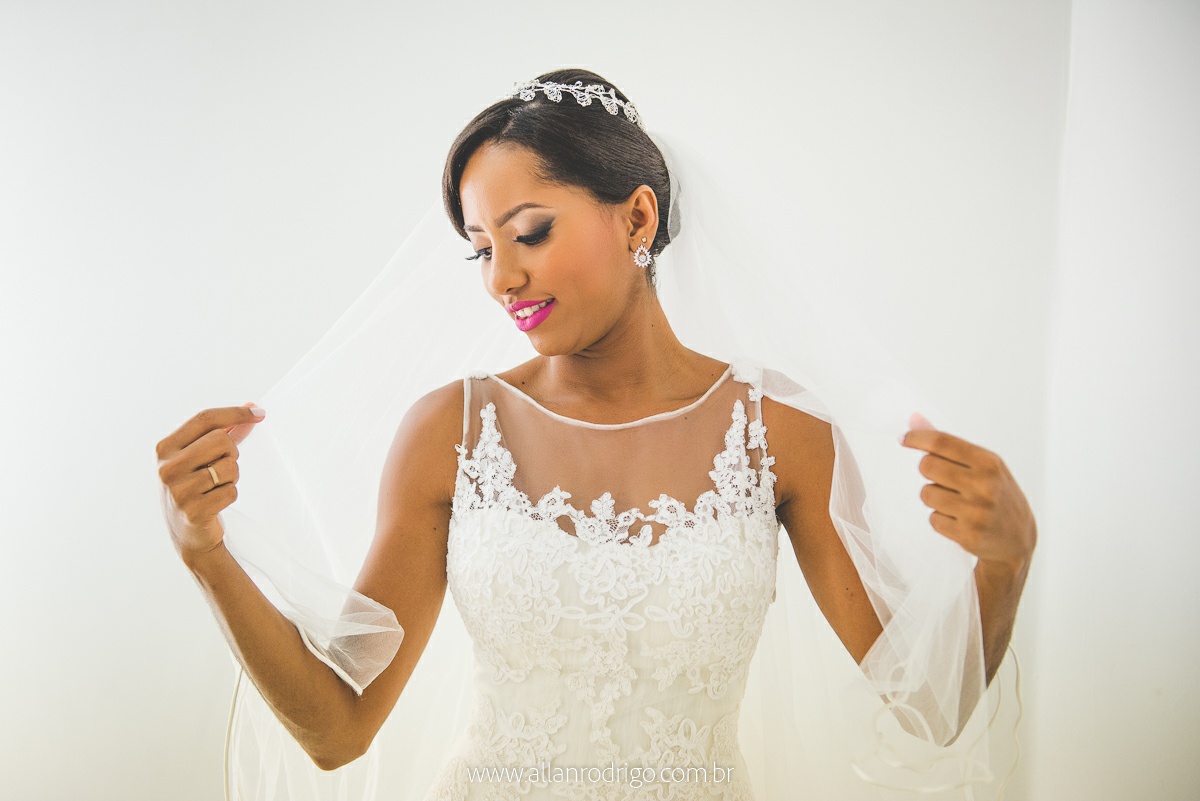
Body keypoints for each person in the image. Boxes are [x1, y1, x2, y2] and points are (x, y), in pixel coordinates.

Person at [155, 68, 1035, 800]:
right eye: (482, 248)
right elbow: (338, 728)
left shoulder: (781, 431)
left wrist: (1005, 561)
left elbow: (929, 708)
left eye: (529, 233)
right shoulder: (451, 431)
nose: (502, 279)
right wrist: (207, 554)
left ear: (638, 219)